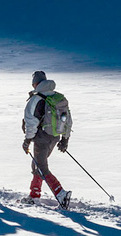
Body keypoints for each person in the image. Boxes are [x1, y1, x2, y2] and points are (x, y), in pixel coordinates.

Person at [21, 70, 72, 208]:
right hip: (54, 137)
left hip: (41, 138)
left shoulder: (36, 99)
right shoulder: (58, 98)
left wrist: (27, 140)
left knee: (41, 167)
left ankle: (61, 193)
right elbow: (68, 120)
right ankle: (34, 195)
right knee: (37, 165)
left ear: (35, 84)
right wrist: (65, 139)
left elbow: (31, 123)